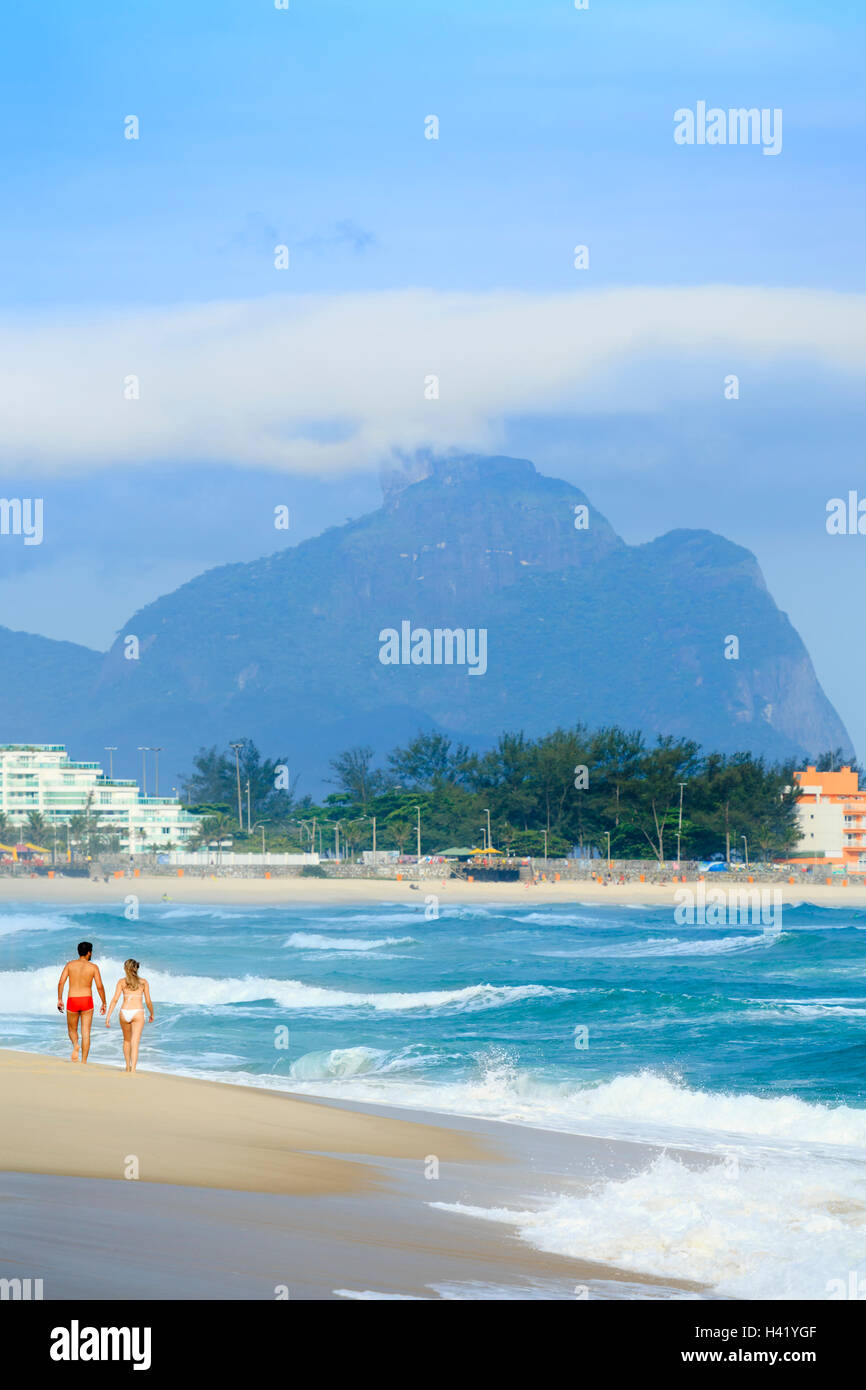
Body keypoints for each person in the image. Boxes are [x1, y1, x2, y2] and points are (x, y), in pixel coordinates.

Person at [57, 942, 106, 1063]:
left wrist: (60, 999)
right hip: (87, 1000)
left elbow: (61, 982)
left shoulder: (70, 965)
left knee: (72, 1030)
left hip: (73, 1000)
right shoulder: (93, 967)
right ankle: (84, 1061)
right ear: (89, 952)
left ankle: (75, 1045)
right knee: (86, 1033)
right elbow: (99, 986)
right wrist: (104, 1002)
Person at [105, 958, 154, 1073]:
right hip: (137, 1012)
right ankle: (133, 1070)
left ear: (125, 968)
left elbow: (114, 1000)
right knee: (135, 1042)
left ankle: (127, 1066)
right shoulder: (143, 982)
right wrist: (152, 1013)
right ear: (136, 968)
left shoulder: (121, 982)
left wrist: (108, 1017)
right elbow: (148, 1001)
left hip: (124, 1012)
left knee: (127, 1040)